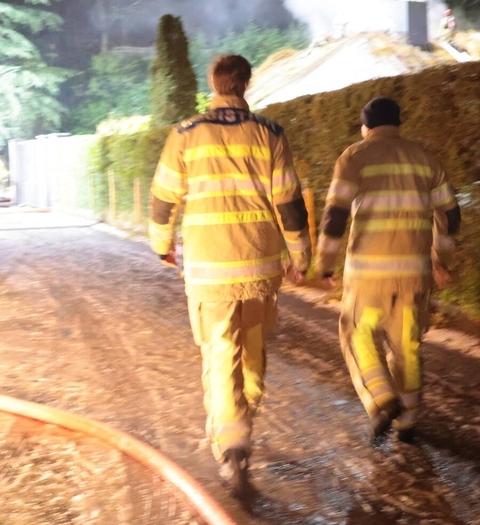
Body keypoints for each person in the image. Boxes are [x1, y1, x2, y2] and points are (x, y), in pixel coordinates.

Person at [149, 54, 312, 499]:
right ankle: (243, 420)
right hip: (260, 269)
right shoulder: (270, 134)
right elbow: (289, 204)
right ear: (247, 84)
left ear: (213, 83)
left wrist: (161, 244)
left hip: (208, 270)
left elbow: (164, 197)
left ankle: (233, 444)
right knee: (253, 351)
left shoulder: (185, 135)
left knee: (221, 355)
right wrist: (301, 256)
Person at [315, 97, 461, 444]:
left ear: (366, 127)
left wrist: (324, 263)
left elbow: (336, 215)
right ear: (398, 124)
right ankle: (407, 421)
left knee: (356, 332)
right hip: (414, 275)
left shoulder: (355, 156)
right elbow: (451, 214)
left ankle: (381, 400)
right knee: (406, 347)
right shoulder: (425, 159)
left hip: (368, 275)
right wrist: (441, 257)